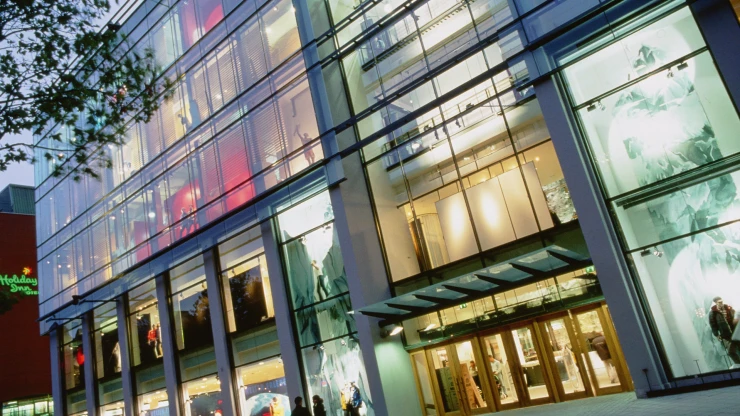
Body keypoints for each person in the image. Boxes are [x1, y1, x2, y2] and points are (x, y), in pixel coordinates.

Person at [709, 296, 740, 365]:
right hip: (726, 334)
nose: (721, 303)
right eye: (719, 302)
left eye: (721, 302)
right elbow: (713, 324)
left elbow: (737, 318)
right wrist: (716, 334)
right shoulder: (713, 313)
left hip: (736, 332)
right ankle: (738, 364)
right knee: (731, 351)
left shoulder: (728, 308)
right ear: (715, 303)